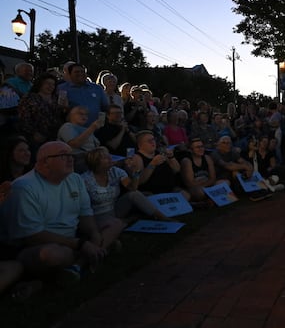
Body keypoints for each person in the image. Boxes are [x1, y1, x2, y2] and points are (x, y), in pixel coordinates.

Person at [0, 141, 122, 283]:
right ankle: (98, 251)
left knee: (114, 223)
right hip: (37, 245)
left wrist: (94, 234)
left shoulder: (75, 178)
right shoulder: (24, 187)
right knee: (51, 254)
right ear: (45, 162)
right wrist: (81, 244)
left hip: (73, 237)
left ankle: (78, 265)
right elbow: (32, 236)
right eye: (63, 155)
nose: (71, 158)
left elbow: (85, 214)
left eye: (71, 155)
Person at [82, 147, 172, 225]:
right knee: (116, 224)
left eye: (109, 156)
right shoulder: (85, 180)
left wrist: (135, 173)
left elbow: (132, 188)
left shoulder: (116, 171)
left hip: (115, 209)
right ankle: (126, 221)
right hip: (97, 215)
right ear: (95, 162)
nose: (110, 158)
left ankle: (161, 217)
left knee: (135, 194)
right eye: (105, 157)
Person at [131, 131, 190, 199]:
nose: (153, 142)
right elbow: (140, 180)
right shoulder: (137, 158)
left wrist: (171, 157)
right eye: (149, 141)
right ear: (140, 145)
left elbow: (177, 169)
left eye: (153, 139)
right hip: (150, 192)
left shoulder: (160, 153)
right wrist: (152, 164)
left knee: (186, 196)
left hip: (170, 189)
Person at [17, 72, 66, 153]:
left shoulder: (57, 99)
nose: (50, 87)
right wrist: (33, 133)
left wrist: (65, 108)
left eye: (53, 84)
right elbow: (23, 118)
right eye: (48, 83)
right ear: (40, 84)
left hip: (55, 136)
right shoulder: (29, 98)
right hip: (35, 137)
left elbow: (61, 115)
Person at [57, 106, 102, 172]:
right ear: (71, 115)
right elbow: (75, 144)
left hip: (93, 156)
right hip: (77, 158)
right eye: (80, 114)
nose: (84, 116)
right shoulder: (67, 126)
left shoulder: (86, 129)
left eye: (86, 114)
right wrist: (92, 128)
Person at [180, 138, 217, 203]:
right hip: (194, 188)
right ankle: (208, 200)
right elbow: (190, 183)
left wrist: (205, 184)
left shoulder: (207, 158)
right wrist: (205, 184)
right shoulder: (187, 161)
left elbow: (213, 178)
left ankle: (208, 200)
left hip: (207, 184)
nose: (201, 149)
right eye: (197, 147)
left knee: (223, 182)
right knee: (200, 192)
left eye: (202, 146)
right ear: (190, 150)